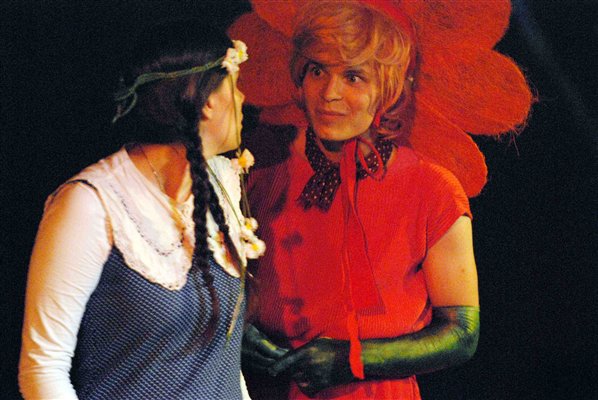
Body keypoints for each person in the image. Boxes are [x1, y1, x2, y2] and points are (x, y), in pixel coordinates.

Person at [229, 0, 533, 399]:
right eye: (318, 70)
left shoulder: (432, 188)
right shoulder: (259, 171)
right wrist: (237, 331)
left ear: (388, 90)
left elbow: (461, 332)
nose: (330, 93)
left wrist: (354, 360)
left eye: (353, 77)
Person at [19, 19, 264, 399]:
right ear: (208, 100)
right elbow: (43, 366)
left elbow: (222, 362)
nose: (244, 98)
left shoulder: (222, 182)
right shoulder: (92, 203)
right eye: (236, 84)